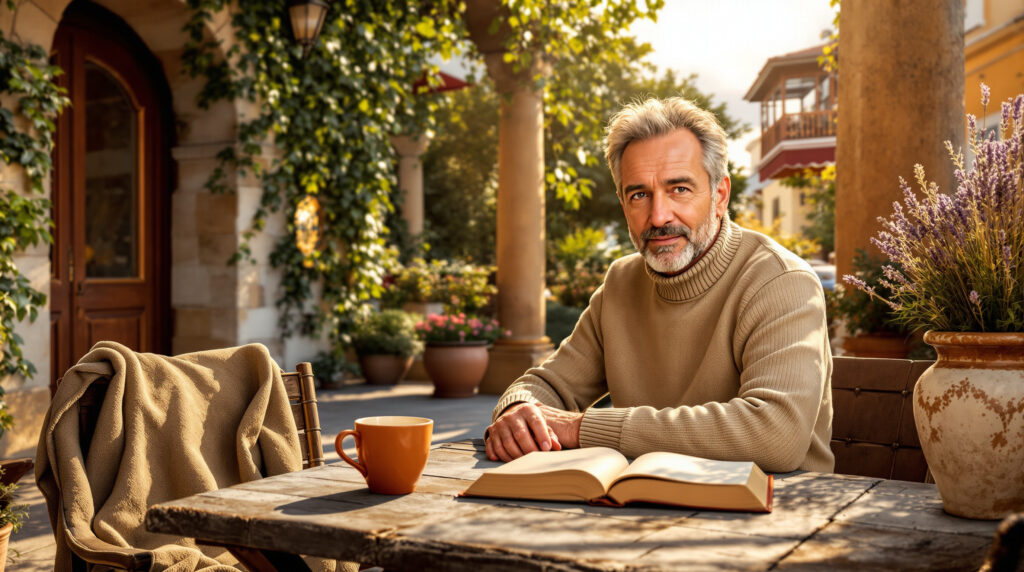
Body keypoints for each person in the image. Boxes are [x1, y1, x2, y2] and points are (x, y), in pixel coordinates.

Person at [484, 97, 834, 473]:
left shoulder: (781, 282)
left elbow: (775, 435)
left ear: (720, 195)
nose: (658, 215)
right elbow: (548, 384)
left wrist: (582, 428)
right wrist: (520, 411)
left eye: (679, 189)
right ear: (623, 204)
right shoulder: (621, 283)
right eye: (639, 195)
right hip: (642, 508)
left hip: (778, 514)